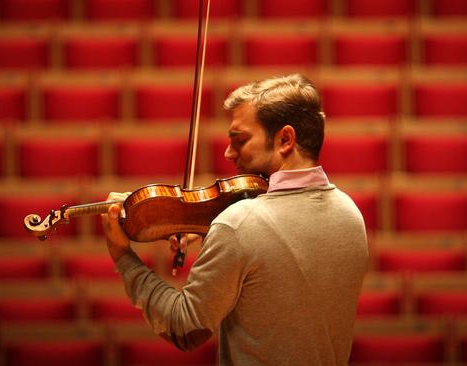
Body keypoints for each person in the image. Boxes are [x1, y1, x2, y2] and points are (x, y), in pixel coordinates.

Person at [103, 73, 369, 365]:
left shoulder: (239, 226)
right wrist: (213, 231)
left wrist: (123, 256)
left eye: (240, 140)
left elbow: (184, 327)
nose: (229, 152)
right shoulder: (351, 214)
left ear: (285, 139)